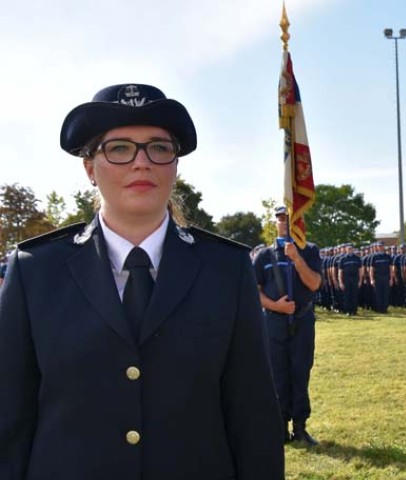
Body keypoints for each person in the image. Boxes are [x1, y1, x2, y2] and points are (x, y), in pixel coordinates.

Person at [0, 84, 283, 478]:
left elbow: (253, 418)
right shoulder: (35, 270)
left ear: (175, 165)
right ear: (89, 168)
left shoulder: (225, 269)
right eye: (118, 148)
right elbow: (9, 420)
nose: (141, 163)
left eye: (159, 148)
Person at [253, 205, 322, 446]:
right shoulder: (263, 255)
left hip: (302, 322)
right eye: (281, 218)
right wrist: (275, 306)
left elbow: (314, 284)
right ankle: (280, 427)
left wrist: (296, 258)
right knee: (278, 375)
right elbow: (255, 293)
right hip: (274, 323)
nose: (284, 222)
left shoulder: (310, 251)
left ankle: (300, 427)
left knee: (300, 373)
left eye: (289, 218)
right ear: (276, 223)